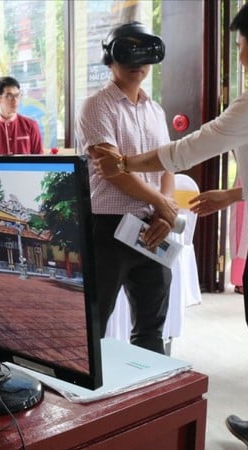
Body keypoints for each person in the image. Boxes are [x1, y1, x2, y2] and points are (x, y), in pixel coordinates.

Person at [94, 1, 248, 450]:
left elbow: (183, 152)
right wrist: (231, 195)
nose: (239, 56)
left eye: (238, 45)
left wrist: (130, 165)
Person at [76, 21, 178, 355]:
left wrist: (165, 212)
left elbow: (166, 165)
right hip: (108, 225)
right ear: (110, 58)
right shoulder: (95, 106)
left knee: (152, 325)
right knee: (95, 320)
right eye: (127, 52)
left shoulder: (155, 109)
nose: (137, 62)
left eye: (145, 52)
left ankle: (147, 395)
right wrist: (164, 206)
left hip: (152, 227)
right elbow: (113, 171)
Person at [0, 76, 43, 155]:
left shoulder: (31, 126)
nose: (15, 100)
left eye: (17, 95)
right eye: (9, 96)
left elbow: (39, 161)